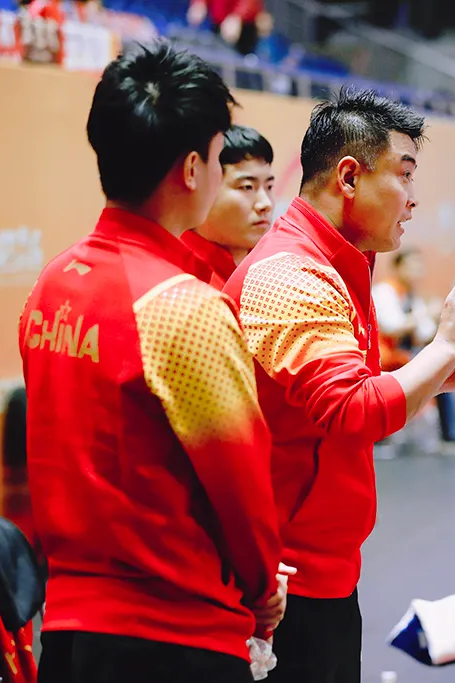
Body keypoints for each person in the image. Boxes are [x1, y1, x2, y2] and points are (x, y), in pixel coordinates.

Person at [20, 41, 289, 683]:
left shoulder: (52, 284)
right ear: (193, 168)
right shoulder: (186, 310)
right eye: (226, 163)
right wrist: (263, 590)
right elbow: (243, 487)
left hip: (65, 634)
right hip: (174, 638)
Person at [221, 87, 455, 683]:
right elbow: (352, 410)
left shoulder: (334, 262)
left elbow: (348, 393)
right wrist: (444, 345)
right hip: (285, 581)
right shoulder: (289, 274)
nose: (413, 199)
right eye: (404, 175)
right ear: (348, 177)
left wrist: (438, 374)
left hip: (319, 569)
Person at [374, 247, 455, 456]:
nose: (417, 271)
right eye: (412, 266)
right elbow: (391, 327)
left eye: (420, 266)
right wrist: (427, 314)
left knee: (445, 365)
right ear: (398, 268)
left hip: (406, 353)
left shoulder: (411, 297)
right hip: (384, 357)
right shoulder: (384, 292)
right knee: (439, 368)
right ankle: (452, 436)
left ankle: (450, 434)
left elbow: (423, 332)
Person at [182, 124, 275, 287]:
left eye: (269, 187)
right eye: (247, 187)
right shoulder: (181, 275)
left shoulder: (271, 270)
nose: (265, 203)